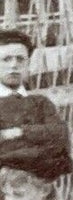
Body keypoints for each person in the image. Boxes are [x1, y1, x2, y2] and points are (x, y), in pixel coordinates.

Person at [0, 31, 69, 165]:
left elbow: (59, 136)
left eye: (20, 59)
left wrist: (17, 132)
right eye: (6, 59)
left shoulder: (40, 102)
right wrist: (39, 137)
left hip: (38, 182)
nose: (14, 65)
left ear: (28, 64)